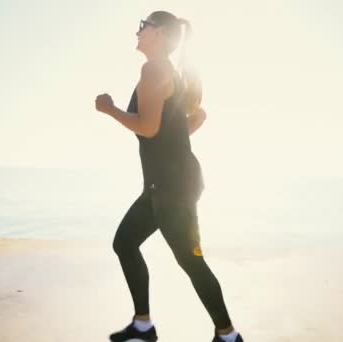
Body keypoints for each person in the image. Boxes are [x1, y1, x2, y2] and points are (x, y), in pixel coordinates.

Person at [94, 10, 244, 342]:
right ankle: (143, 326)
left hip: (172, 188)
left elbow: (147, 128)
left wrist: (110, 109)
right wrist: (186, 127)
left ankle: (229, 336)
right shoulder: (165, 71)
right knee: (126, 242)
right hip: (163, 184)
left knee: (191, 261)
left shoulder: (153, 69)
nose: (137, 31)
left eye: (142, 26)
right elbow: (177, 127)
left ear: (159, 33)